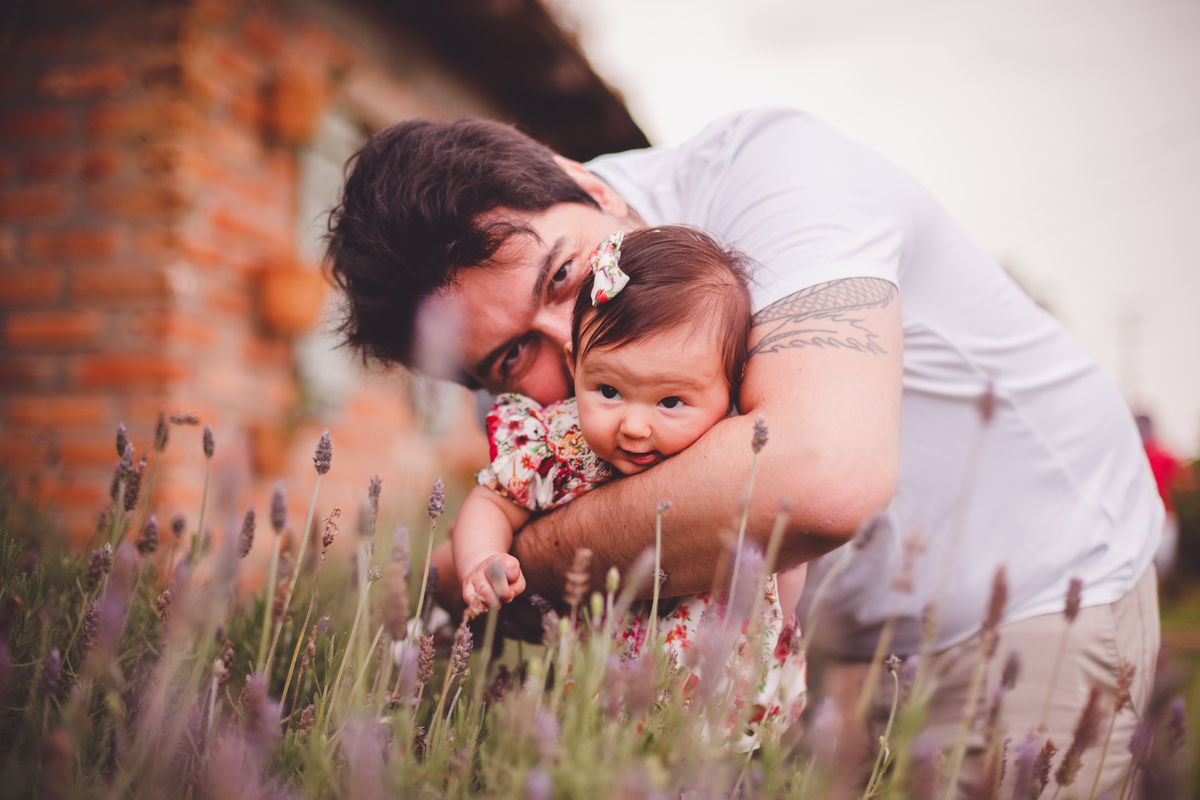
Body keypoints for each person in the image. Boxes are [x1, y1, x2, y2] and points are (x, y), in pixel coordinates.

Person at [326, 109, 1161, 795]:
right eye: (513, 355)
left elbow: (820, 478)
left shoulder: (777, 180)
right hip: (824, 643)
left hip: (1034, 592)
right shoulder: (517, 386)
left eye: (564, 278)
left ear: (587, 183)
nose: (572, 351)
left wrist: (515, 567)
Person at [453, 226, 807, 738]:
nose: (635, 427)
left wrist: (773, 613)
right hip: (601, 687)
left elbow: (785, 553)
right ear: (575, 364)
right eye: (608, 391)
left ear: (731, 384)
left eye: (671, 402)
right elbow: (492, 500)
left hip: (718, 683)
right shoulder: (564, 444)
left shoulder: (731, 454)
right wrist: (481, 560)